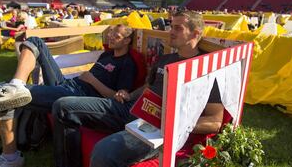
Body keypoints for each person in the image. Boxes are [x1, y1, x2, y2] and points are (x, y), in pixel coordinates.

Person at [0, 24, 137, 167]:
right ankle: (16, 85)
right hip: (68, 84)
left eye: (117, 35)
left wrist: (92, 80)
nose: (111, 36)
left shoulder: (127, 64)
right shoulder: (106, 54)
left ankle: (11, 157)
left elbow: (116, 96)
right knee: (35, 41)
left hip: (77, 95)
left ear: (127, 40)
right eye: (111, 33)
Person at [88, 11, 225, 167]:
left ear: (195, 33)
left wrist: (174, 124)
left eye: (178, 28)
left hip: (159, 128)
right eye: (171, 27)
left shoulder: (207, 68)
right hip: (133, 109)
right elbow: (148, 87)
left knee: (103, 151)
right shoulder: (164, 59)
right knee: (66, 105)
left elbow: (215, 121)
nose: (170, 32)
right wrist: (129, 95)